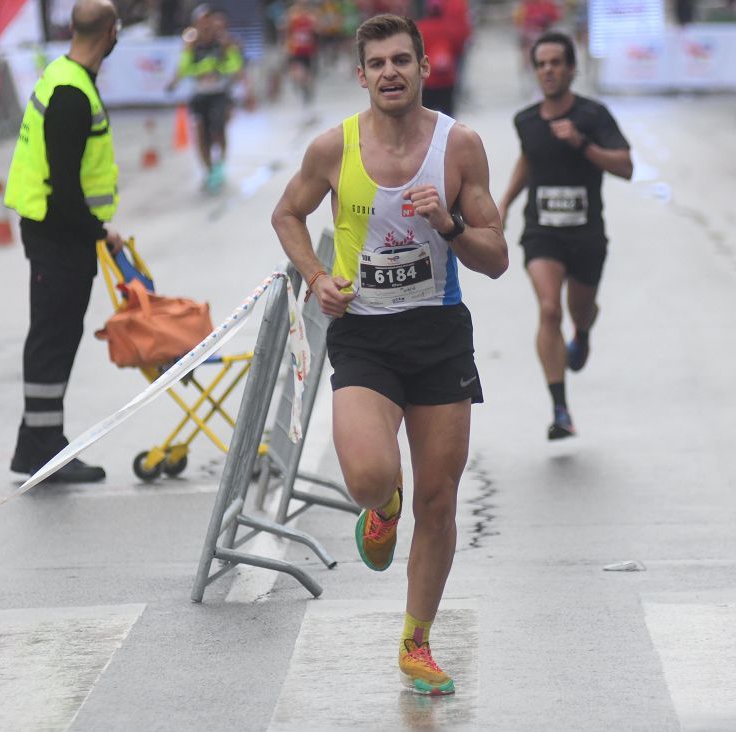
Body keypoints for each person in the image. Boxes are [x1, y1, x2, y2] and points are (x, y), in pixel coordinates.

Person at [272, 14, 508, 695]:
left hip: (438, 334)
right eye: (377, 63)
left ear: (424, 66)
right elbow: (287, 214)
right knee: (370, 475)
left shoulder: (459, 147)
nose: (391, 72)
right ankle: (383, 503)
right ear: (362, 75)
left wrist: (450, 223)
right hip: (366, 336)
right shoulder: (333, 149)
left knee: (440, 502)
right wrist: (318, 279)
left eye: (401, 59)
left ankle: (417, 641)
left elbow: (495, 257)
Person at [4, 0, 125, 483]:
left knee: (57, 335)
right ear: (110, 33)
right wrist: (99, 232)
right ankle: (44, 451)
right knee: (52, 337)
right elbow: (65, 185)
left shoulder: (64, 75)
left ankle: (37, 446)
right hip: (58, 236)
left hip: (56, 233)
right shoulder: (71, 92)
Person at [498, 31, 632, 440]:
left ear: (572, 69)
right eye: (541, 64)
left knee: (578, 310)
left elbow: (626, 166)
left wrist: (582, 144)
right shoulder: (526, 121)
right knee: (549, 309)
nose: (548, 70)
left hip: (587, 236)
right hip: (543, 234)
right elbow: (529, 159)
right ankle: (560, 409)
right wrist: (503, 204)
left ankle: (585, 331)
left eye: (556, 62)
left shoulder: (594, 116)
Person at [166, 4, 244, 191]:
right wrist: (175, 81)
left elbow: (235, 67)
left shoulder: (224, 43)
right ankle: (208, 170)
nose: (206, 26)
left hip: (219, 94)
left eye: (209, 22)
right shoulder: (191, 45)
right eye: (202, 22)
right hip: (200, 96)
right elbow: (184, 68)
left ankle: (220, 166)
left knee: (219, 130)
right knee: (201, 133)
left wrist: (219, 67)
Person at [415, 0, 465, 117]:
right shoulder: (451, 28)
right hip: (448, 79)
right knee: (449, 118)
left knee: (425, 117)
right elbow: (459, 49)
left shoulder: (421, 28)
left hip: (429, 80)